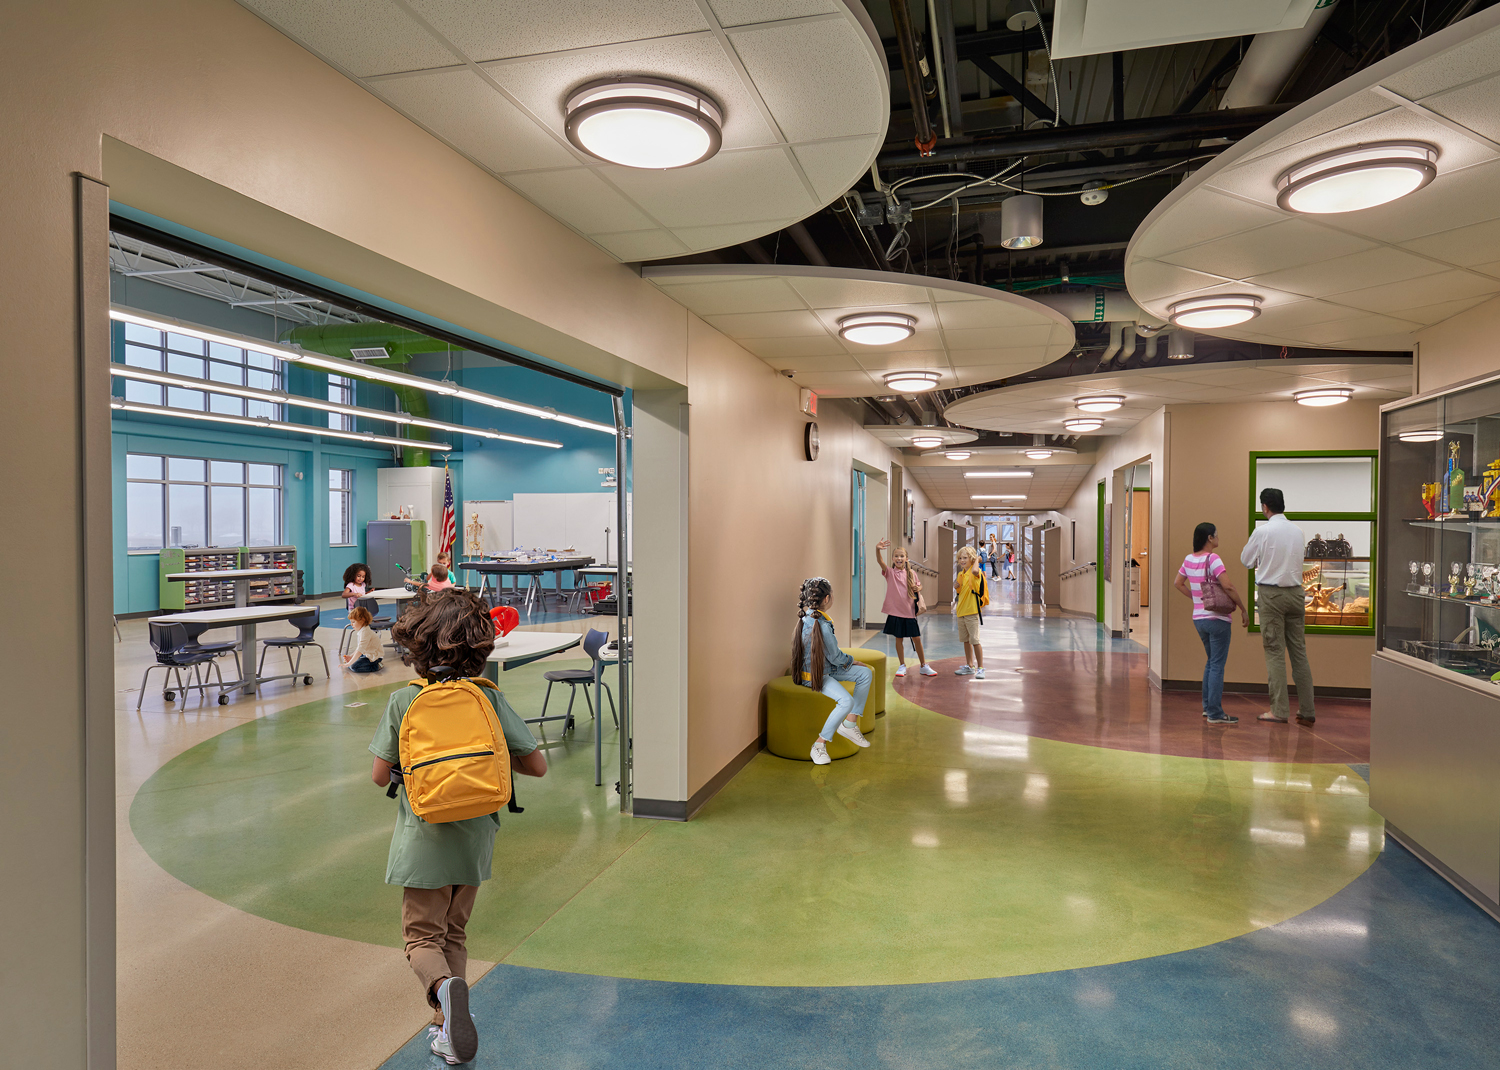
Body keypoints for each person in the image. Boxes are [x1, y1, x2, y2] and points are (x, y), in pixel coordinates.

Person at [368, 589, 548, 1066]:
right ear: (479, 648)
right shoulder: (488, 698)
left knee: (421, 939)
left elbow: (380, 775)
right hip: (475, 838)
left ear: (417, 648)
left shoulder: (403, 701)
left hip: (422, 838)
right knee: (454, 933)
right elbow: (537, 766)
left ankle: (444, 991)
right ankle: (447, 1030)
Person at [1241, 487, 1316, 725]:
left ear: (1265, 507)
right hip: (1296, 594)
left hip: (1271, 595)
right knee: (1299, 653)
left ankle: (1279, 710)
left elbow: (1245, 560)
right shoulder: (1297, 531)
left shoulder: (1262, 531)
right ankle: (1307, 709)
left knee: (1274, 653)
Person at [791, 577, 872, 765]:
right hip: (815, 675)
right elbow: (836, 657)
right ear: (827, 599)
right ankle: (819, 745)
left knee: (864, 674)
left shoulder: (808, 617)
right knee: (846, 701)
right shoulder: (821, 624)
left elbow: (830, 657)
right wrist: (852, 661)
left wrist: (849, 664)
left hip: (825, 668)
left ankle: (850, 724)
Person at [1174, 522, 1249, 725]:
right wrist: (1243, 608)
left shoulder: (1188, 559)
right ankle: (1215, 713)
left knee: (1211, 662)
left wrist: (1195, 598)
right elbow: (1229, 586)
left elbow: (1177, 583)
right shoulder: (1213, 559)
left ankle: (1208, 708)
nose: (1218, 538)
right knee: (1217, 665)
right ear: (1209, 538)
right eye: (1216, 535)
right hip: (1218, 619)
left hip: (1199, 619)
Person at [875, 538, 936, 678]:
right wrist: (878, 549)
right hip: (896, 612)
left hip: (909, 612)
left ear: (906, 559)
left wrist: (917, 587)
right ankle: (902, 665)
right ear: (893, 558)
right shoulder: (890, 572)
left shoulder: (911, 573)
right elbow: (880, 562)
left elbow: (920, 586)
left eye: (902, 556)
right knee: (899, 639)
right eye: (896, 556)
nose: (899, 558)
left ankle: (923, 665)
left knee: (917, 639)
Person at [954, 546, 988, 679]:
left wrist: (977, 560)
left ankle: (980, 668)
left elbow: (974, 570)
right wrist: (956, 586)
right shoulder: (960, 574)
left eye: (965, 558)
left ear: (971, 559)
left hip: (972, 611)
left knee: (975, 640)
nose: (962, 560)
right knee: (966, 640)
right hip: (961, 611)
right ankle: (969, 665)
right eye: (960, 558)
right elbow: (960, 591)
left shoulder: (976, 572)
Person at [343, 605, 385, 673]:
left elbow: (360, 650)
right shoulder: (362, 630)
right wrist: (351, 657)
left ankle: (377, 666)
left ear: (362, 620)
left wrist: (349, 663)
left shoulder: (365, 632)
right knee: (351, 663)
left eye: (353, 622)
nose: (351, 624)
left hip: (374, 657)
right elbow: (359, 649)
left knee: (354, 667)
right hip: (367, 654)